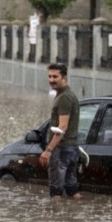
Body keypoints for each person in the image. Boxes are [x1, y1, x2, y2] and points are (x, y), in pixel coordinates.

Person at [39, 62, 81, 199]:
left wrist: (48, 150)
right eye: (49, 76)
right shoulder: (67, 95)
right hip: (72, 148)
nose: (51, 80)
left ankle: (56, 219)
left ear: (64, 78)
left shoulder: (64, 98)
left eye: (55, 77)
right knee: (72, 189)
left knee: (56, 193)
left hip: (61, 149)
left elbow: (62, 127)